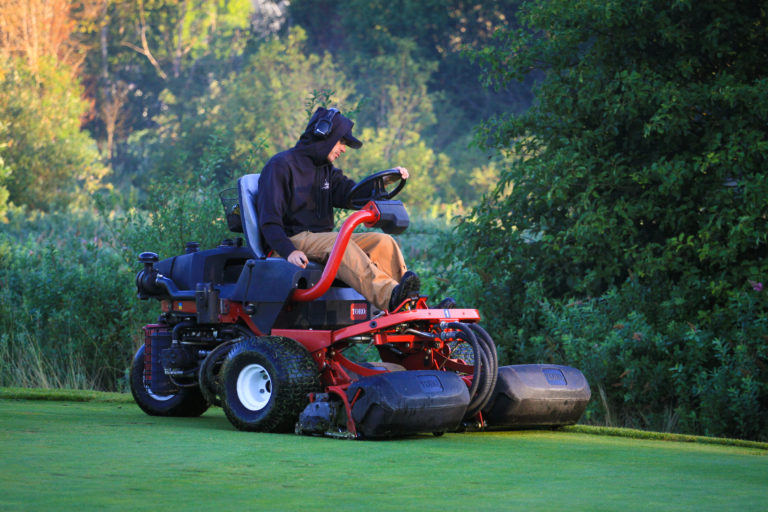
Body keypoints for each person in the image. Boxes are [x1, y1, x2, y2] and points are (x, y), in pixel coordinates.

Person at [257, 107, 420, 312]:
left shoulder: (325, 170)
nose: (343, 148)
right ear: (324, 135)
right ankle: (391, 297)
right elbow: (269, 222)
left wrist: (385, 181)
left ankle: (410, 306)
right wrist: (288, 251)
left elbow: (351, 193)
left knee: (383, 242)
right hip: (293, 239)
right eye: (341, 141)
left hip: (321, 239)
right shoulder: (280, 166)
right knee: (339, 243)